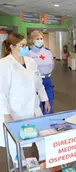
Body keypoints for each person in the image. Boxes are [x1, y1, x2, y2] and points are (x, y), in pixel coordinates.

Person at [0, 33, 50, 166]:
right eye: (22, 45)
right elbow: (1, 92)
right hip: (15, 110)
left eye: (25, 45)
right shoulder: (4, 64)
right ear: (12, 47)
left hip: (33, 106)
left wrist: (45, 99)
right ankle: (20, 165)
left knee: (42, 135)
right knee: (16, 140)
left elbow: (38, 82)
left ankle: (45, 163)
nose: (25, 48)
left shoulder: (30, 61)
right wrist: (6, 113)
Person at [27, 30, 55, 114]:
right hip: (36, 80)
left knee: (49, 102)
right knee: (37, 105)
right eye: (37, 38)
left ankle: (48, 120)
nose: (40, 40)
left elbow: (52, 64)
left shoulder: (47, 51)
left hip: (48, 79)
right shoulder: (28, 52)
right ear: (32, 40)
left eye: (41, 38)